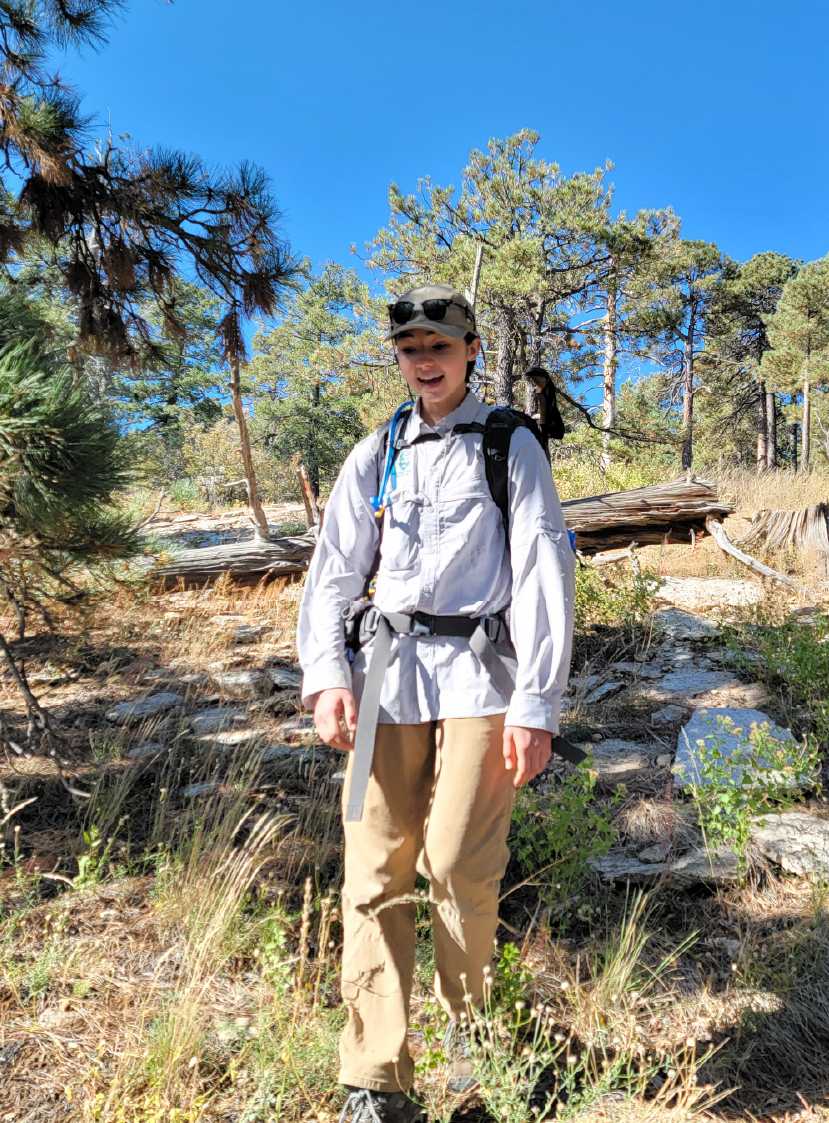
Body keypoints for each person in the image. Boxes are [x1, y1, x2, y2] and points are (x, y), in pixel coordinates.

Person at [292, 291, 572, 1123]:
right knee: (373, 873)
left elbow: (545, 570)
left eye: (439, 344)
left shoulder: (509, 444)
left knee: (454, 865)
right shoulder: (378, 450)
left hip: (483, 681)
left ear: (470, 349)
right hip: (385, 678)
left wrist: (538, 704)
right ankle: (375, 1079)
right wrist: (328, 676)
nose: (424, 358)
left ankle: (478, 1062)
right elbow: (335, 568)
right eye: (410, 346)